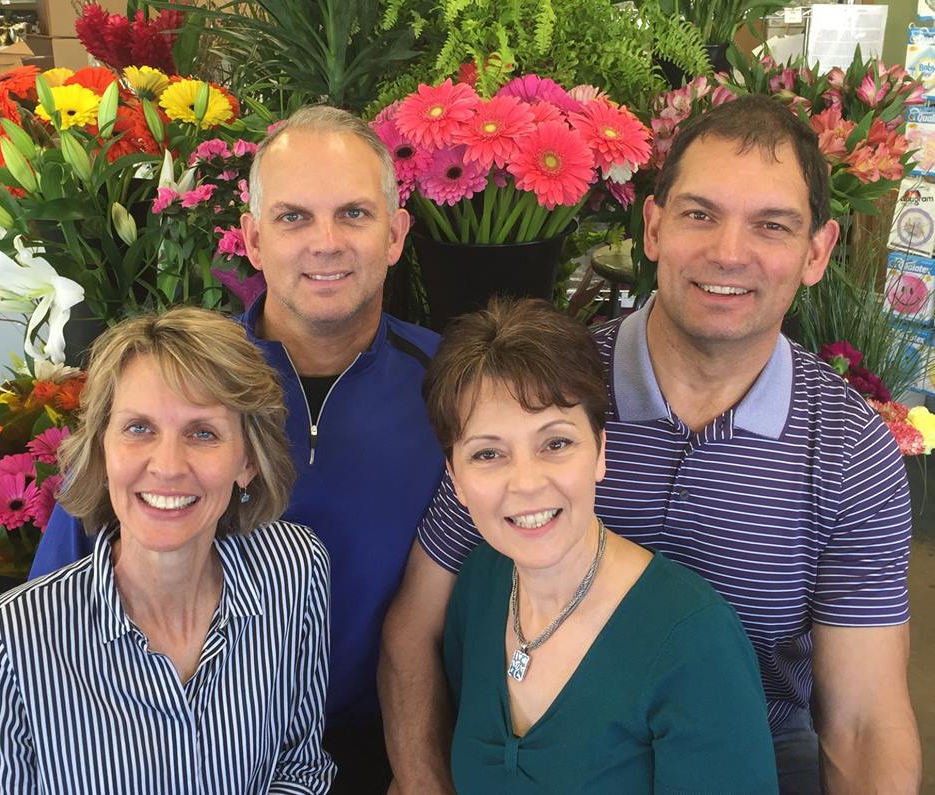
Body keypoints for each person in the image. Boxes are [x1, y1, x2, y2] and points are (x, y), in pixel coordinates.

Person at [381, 95, 922, 794]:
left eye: (771, 225)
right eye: (700, 214)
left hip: (752, 745)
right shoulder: (549, 395)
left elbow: (864, 720)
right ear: (655, 226)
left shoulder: (849, 452)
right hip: (549, 728)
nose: (729, 251)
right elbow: (413, 630)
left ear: (816, 251)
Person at [28, 106, 445, 793]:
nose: (325, 242)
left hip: (386, 741)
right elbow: (56, 595)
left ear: (396, 234)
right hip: (183, 742)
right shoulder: (174, 384)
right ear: (251, 238)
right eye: (293, 217)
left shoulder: (451, 387)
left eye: (354, 214)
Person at [0, 307, 334, 793]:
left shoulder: (295, 571)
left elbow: (300, 767)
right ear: (102, 449)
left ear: (248, 461)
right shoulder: (12, 642)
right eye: (139, 428)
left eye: (203, 433)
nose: (167, 466)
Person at [427, 298, 778, 792]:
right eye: (488, 453)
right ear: (456, 480)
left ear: (599, 452)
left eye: (556, 443)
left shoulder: (695, 642)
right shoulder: (480, 586)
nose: (526, 483)